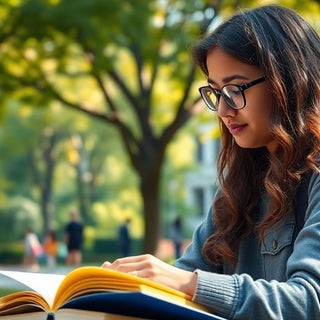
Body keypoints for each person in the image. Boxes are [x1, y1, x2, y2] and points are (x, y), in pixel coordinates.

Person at [101, 5, 320, 319]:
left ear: (286, 81)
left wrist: (189, 283)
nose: (222, 110)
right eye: (216, 92)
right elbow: (184, 277)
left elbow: (310, 302)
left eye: (234, 89)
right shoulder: (240, 183)